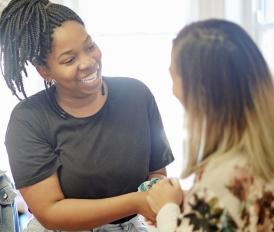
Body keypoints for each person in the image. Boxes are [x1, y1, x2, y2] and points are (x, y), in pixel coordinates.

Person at [0, 0, 174, 231]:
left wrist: (157, 196)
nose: (88, 63)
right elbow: (50, 212)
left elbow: (156, 173)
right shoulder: (29, 120)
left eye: (89, 46)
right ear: (44, 70)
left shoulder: (137, 95)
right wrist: (136, 202)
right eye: (69, 60)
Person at [146, 19, 274, 231]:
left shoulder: (223, 182)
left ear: (200, 95)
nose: (173, 91)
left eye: (173, 77)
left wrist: (166, 208)